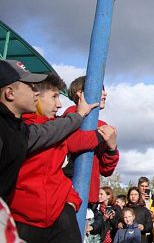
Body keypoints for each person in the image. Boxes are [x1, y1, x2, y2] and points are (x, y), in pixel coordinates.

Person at [9, 73, 113, 243]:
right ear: (36, 97)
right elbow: (75, 140)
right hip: (24, 217)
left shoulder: (60, 124)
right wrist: (102, 135)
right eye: (54, 96)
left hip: (58, 212)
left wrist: (71, 201)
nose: (59, 104)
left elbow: (56, 172)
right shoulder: (23, 129)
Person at [0, 59, 97, 201]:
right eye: (30, 87)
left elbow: (47, 132)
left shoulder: (19, 129)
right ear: (10, 93)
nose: (36, 93)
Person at [63, 75, 119, 205]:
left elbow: (106, 170)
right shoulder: (71, 114)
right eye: (100, 89)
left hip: (89, 198)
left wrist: (112, 148)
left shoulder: (101, 124)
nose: (105, 93)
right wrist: (99, 135)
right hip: (68, 195)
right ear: (81, 94)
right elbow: (73, 143)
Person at [138, 176, 154, 242]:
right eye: (142, 186)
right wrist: (141, 200)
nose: (144, 188)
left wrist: (153, 216)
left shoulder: (152, 198)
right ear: (138, 186)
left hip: (148, 229)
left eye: (146, 186)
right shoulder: (133, 195)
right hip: (137, 229)